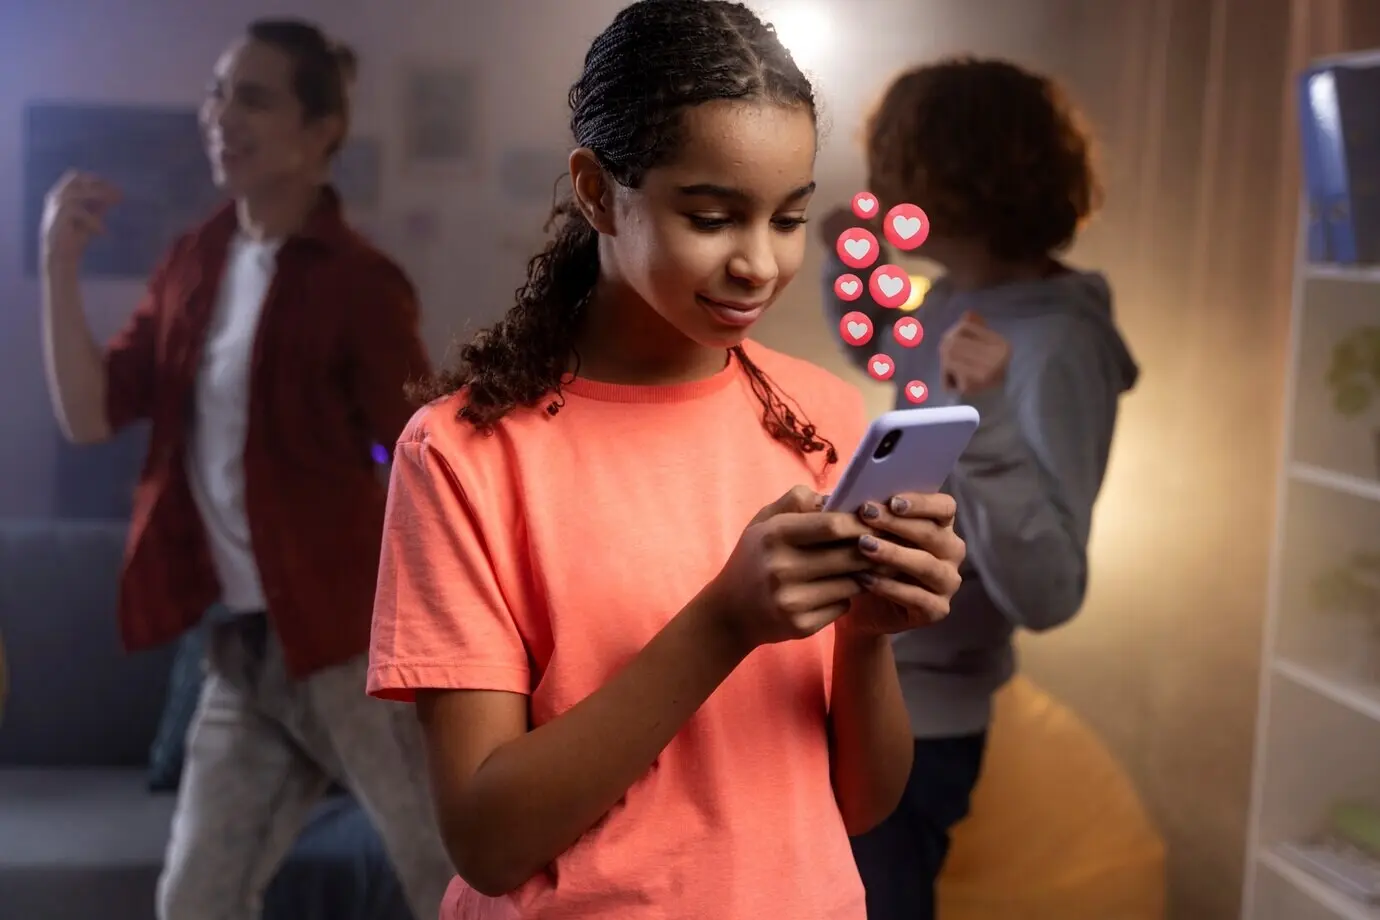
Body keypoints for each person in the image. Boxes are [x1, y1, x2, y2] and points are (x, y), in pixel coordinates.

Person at [365, 2, 968, 918]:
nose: (759, 263)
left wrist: (869, 636)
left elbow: (861, 804)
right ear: (598, 193)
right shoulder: (465, 454)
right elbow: (488, 842)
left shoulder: (822, 416)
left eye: (788, 218)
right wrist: (722, 624)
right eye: (714, 216)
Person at [38, 18, 451, 920]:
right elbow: (90, 412)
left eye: (252, 97)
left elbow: (426, 455)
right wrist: (58, 266)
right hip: (240, 650)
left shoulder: (358, 282)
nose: (221, 114)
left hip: (347, 652)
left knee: (447, 884)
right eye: (219, 93)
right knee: (195, 901)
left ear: (319, 133)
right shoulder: (193, 262)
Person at [818, 57, 1140, 920]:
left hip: (924, 719)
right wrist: (842, 267)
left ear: (949, 181)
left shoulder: (1059, 346)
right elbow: (893, 359)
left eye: (895, 173)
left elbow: (1050, 592)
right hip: (872, 679)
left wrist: (988, 417)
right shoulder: (960, 297)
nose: (880, 190)